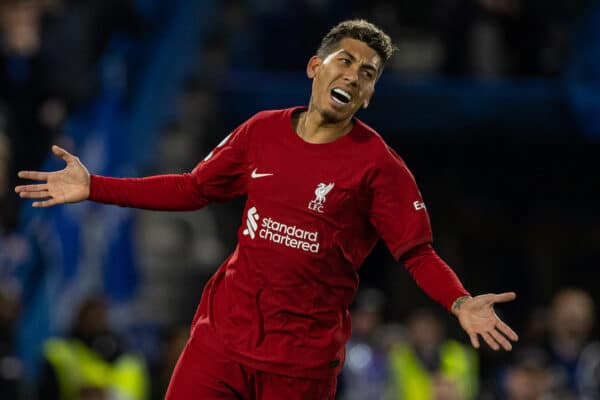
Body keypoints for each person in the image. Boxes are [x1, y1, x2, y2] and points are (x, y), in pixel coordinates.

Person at [16, 19, 519, 400]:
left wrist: (459, 302)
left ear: (367, 97)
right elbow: (193, 189)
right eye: (345, 60)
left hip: (300, 364)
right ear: (315, 67)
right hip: (221, 341)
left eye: (368, 74)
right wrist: (94, 186)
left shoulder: (380, 167)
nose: (354, 75)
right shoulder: (261, 131)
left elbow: (417, 252)